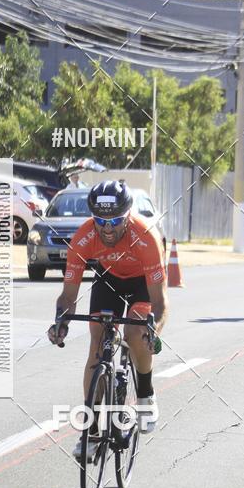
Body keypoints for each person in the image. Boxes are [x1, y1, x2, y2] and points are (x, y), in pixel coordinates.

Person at [47, 179, 168, 461]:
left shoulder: (146, 237)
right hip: (108, 280)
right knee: (97, 344)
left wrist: (155, 329)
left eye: (115, 220)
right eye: (100, 220)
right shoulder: (83, 238)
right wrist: (61, 322)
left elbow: (160, 301)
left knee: (135, 333)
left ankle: (146, 396)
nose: (108, 227)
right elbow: (68, 295)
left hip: (142, 283)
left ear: (127, 215)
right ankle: (90, 431)